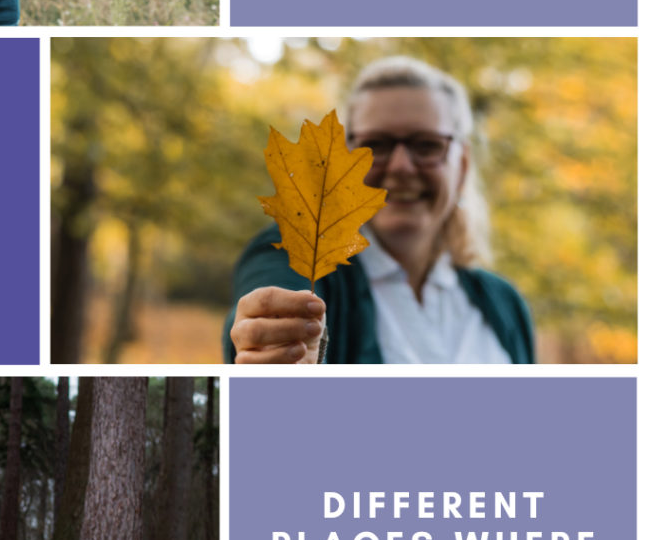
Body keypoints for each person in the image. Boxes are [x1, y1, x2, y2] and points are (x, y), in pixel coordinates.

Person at [225, 56, 534, 364]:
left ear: (463, 166)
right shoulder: (296, 256)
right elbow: (266, 308)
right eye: (376, 145)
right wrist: (270, 339)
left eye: (427, 145)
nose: (401, 167)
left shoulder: (505, 305)